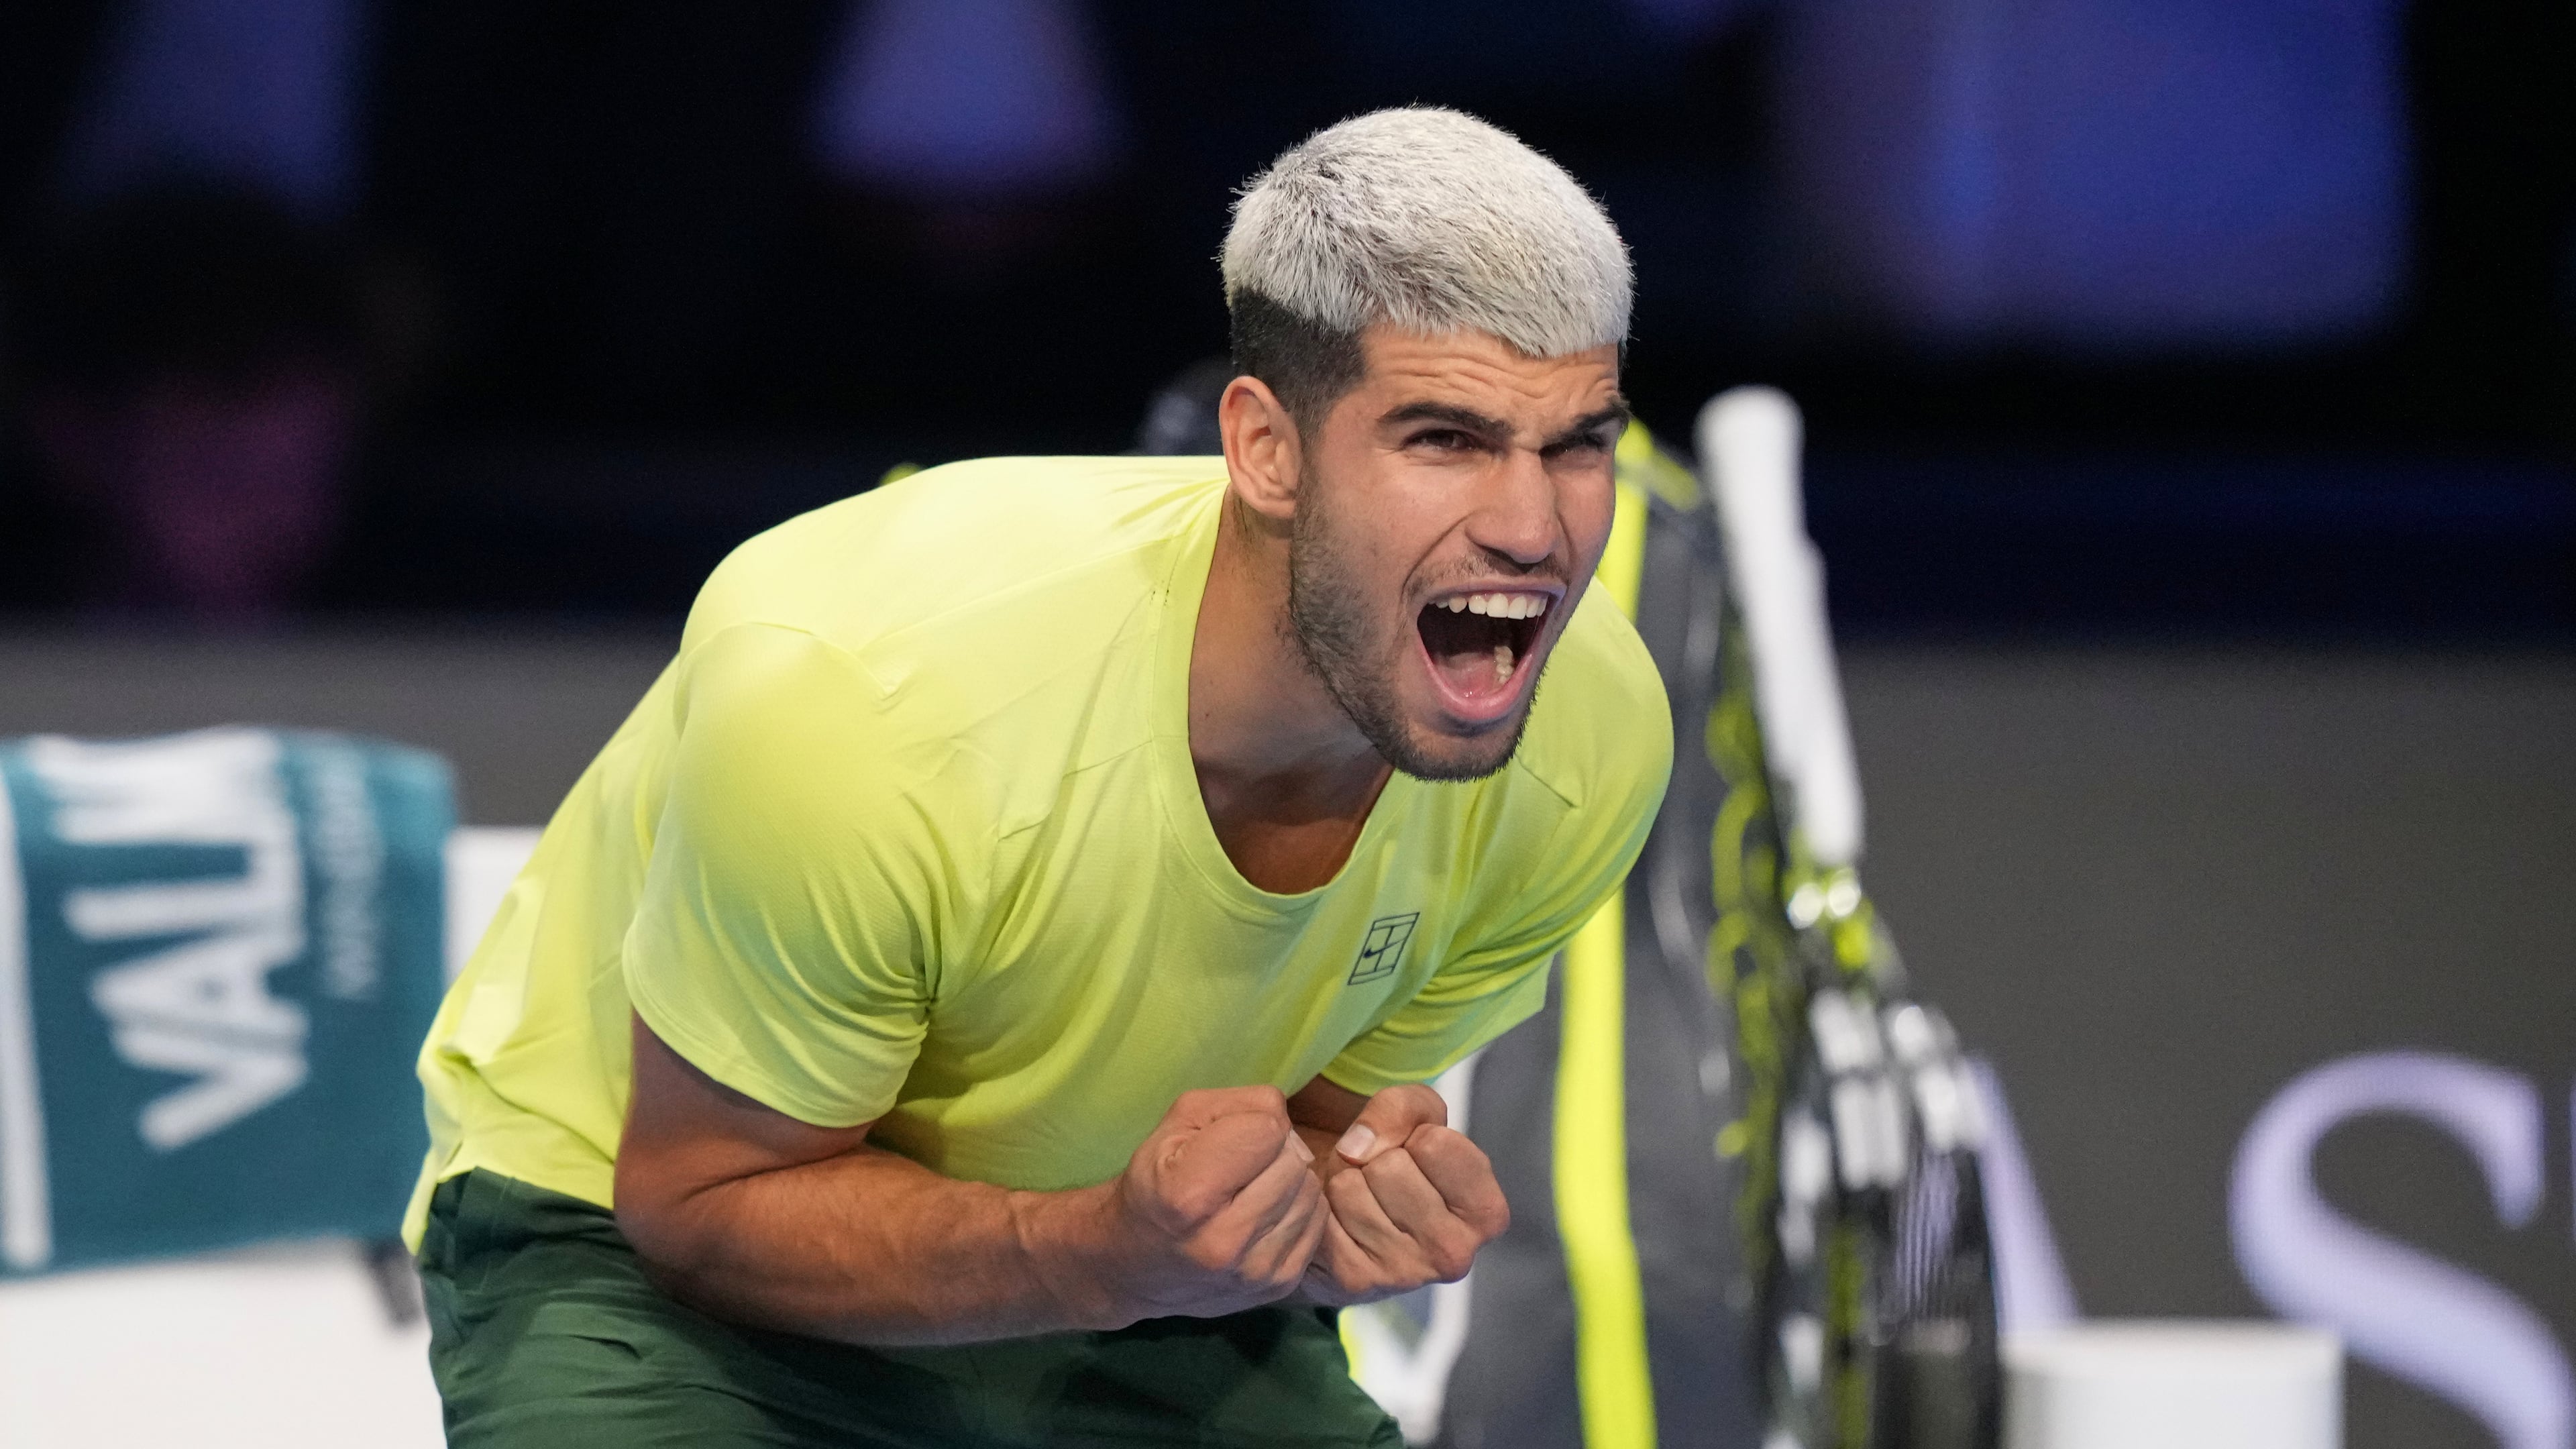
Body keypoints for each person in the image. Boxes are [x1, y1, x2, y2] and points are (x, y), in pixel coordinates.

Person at [408, 106, 1672, 1448]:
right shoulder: (861, 695)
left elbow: (1296, 1148)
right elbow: (701, 1211)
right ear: (1266, 449)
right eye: (1446, 440)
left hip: (1120, 1267)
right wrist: (1107, 1252)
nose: (1534, 528)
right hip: (647, 1251)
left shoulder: (1586, 739)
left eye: (1578, 442)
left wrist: (1338, 1212)